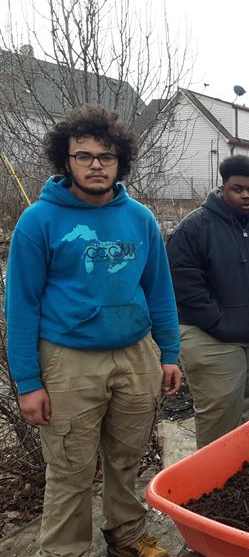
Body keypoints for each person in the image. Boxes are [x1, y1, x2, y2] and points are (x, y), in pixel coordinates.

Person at [4, 104, 181, 557]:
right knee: (69, 469)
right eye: (83, 156)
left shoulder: (140, 218)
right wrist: (28, 382)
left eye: (106, 156)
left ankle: (127, 536)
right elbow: (20, 306)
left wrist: (169, 352)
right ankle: (65, 549)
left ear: (121, 160)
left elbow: (159, 291)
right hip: (68, 359)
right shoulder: (39, 221)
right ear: (65, 161)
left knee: (127, 459)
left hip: (135, 353)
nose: (96, 165)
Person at [167, 155, 249, 448]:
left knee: (245, 411)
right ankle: (209, 484)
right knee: (219, 413)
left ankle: (236, 479)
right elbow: (183, 282)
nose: (246, 195)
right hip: (210, 336)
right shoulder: (195, 228)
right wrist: (217, 321)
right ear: (222, 187)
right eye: (238, 188)